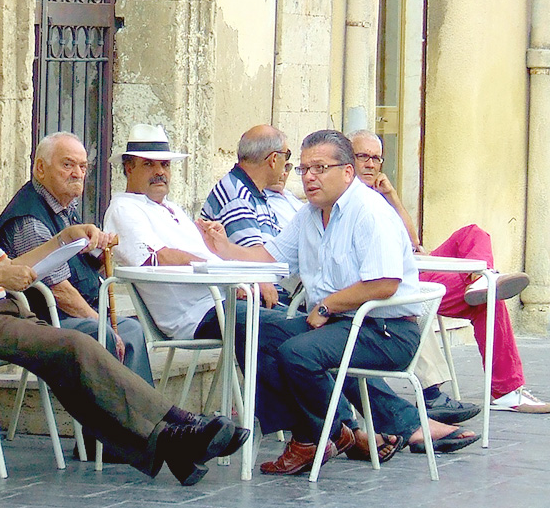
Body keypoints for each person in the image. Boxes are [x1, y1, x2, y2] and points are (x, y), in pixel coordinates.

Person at [0, 140, 247, 486]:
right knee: (76, 346)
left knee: (72, 366)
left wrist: (62, 240)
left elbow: (17, 265)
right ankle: (179, 425)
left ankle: (169, 443)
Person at [201, 130, 479, 476]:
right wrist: (223, 248)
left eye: (320, 167)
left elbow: (385, 282)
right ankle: (330, 433)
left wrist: (327, 305)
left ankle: (319, 436)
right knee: (254, 331)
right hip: (343, 324)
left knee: (298, 354)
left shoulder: (369, 212)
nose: (309, 177)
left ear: (347, 172)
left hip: (386, 330)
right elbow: (269, 257)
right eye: (303, 169)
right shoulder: (309, 214)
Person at [348, 130, 550, 414]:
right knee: (489, 301)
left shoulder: (377, 195)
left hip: (415, 259)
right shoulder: (351, 198)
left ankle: (482, 278)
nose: (370, 164)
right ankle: (506, 389)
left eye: (376, 158)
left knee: (472, 233)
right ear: (348, 158)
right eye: (363, 157)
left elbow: (413, 242)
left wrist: (393, 196)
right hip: (402, 274)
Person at [0, 132, 154, 455]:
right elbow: (58, 290)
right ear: (40, 169)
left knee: (133, 329)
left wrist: (96, 249)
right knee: (105, 334)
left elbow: (76, 260)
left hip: (68, 312)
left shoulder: (64, 207)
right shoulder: (29, 217)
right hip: (42, 320)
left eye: (83, 166)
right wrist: (99, 319)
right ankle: (106, 442)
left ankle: (144, 429)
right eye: (68, 165)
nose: (78, 173)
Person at [103, 125, 288, 342]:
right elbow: (162, 257)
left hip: (221, 302)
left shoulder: (172, 209)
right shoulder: (124, 208)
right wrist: (236, 279)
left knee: (290, 325)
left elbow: (203, 254)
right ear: (129, 168)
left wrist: (216, 245)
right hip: (194, 314)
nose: (160, 172)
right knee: (281, 329)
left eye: (165, 165)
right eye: (148, 164)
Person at [200, 124, 290, 307]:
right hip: (255, 301)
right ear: (273, 159)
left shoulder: (252, 191)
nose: (287, 166)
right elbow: (255, 262)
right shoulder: (237, 195)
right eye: (286, 156)